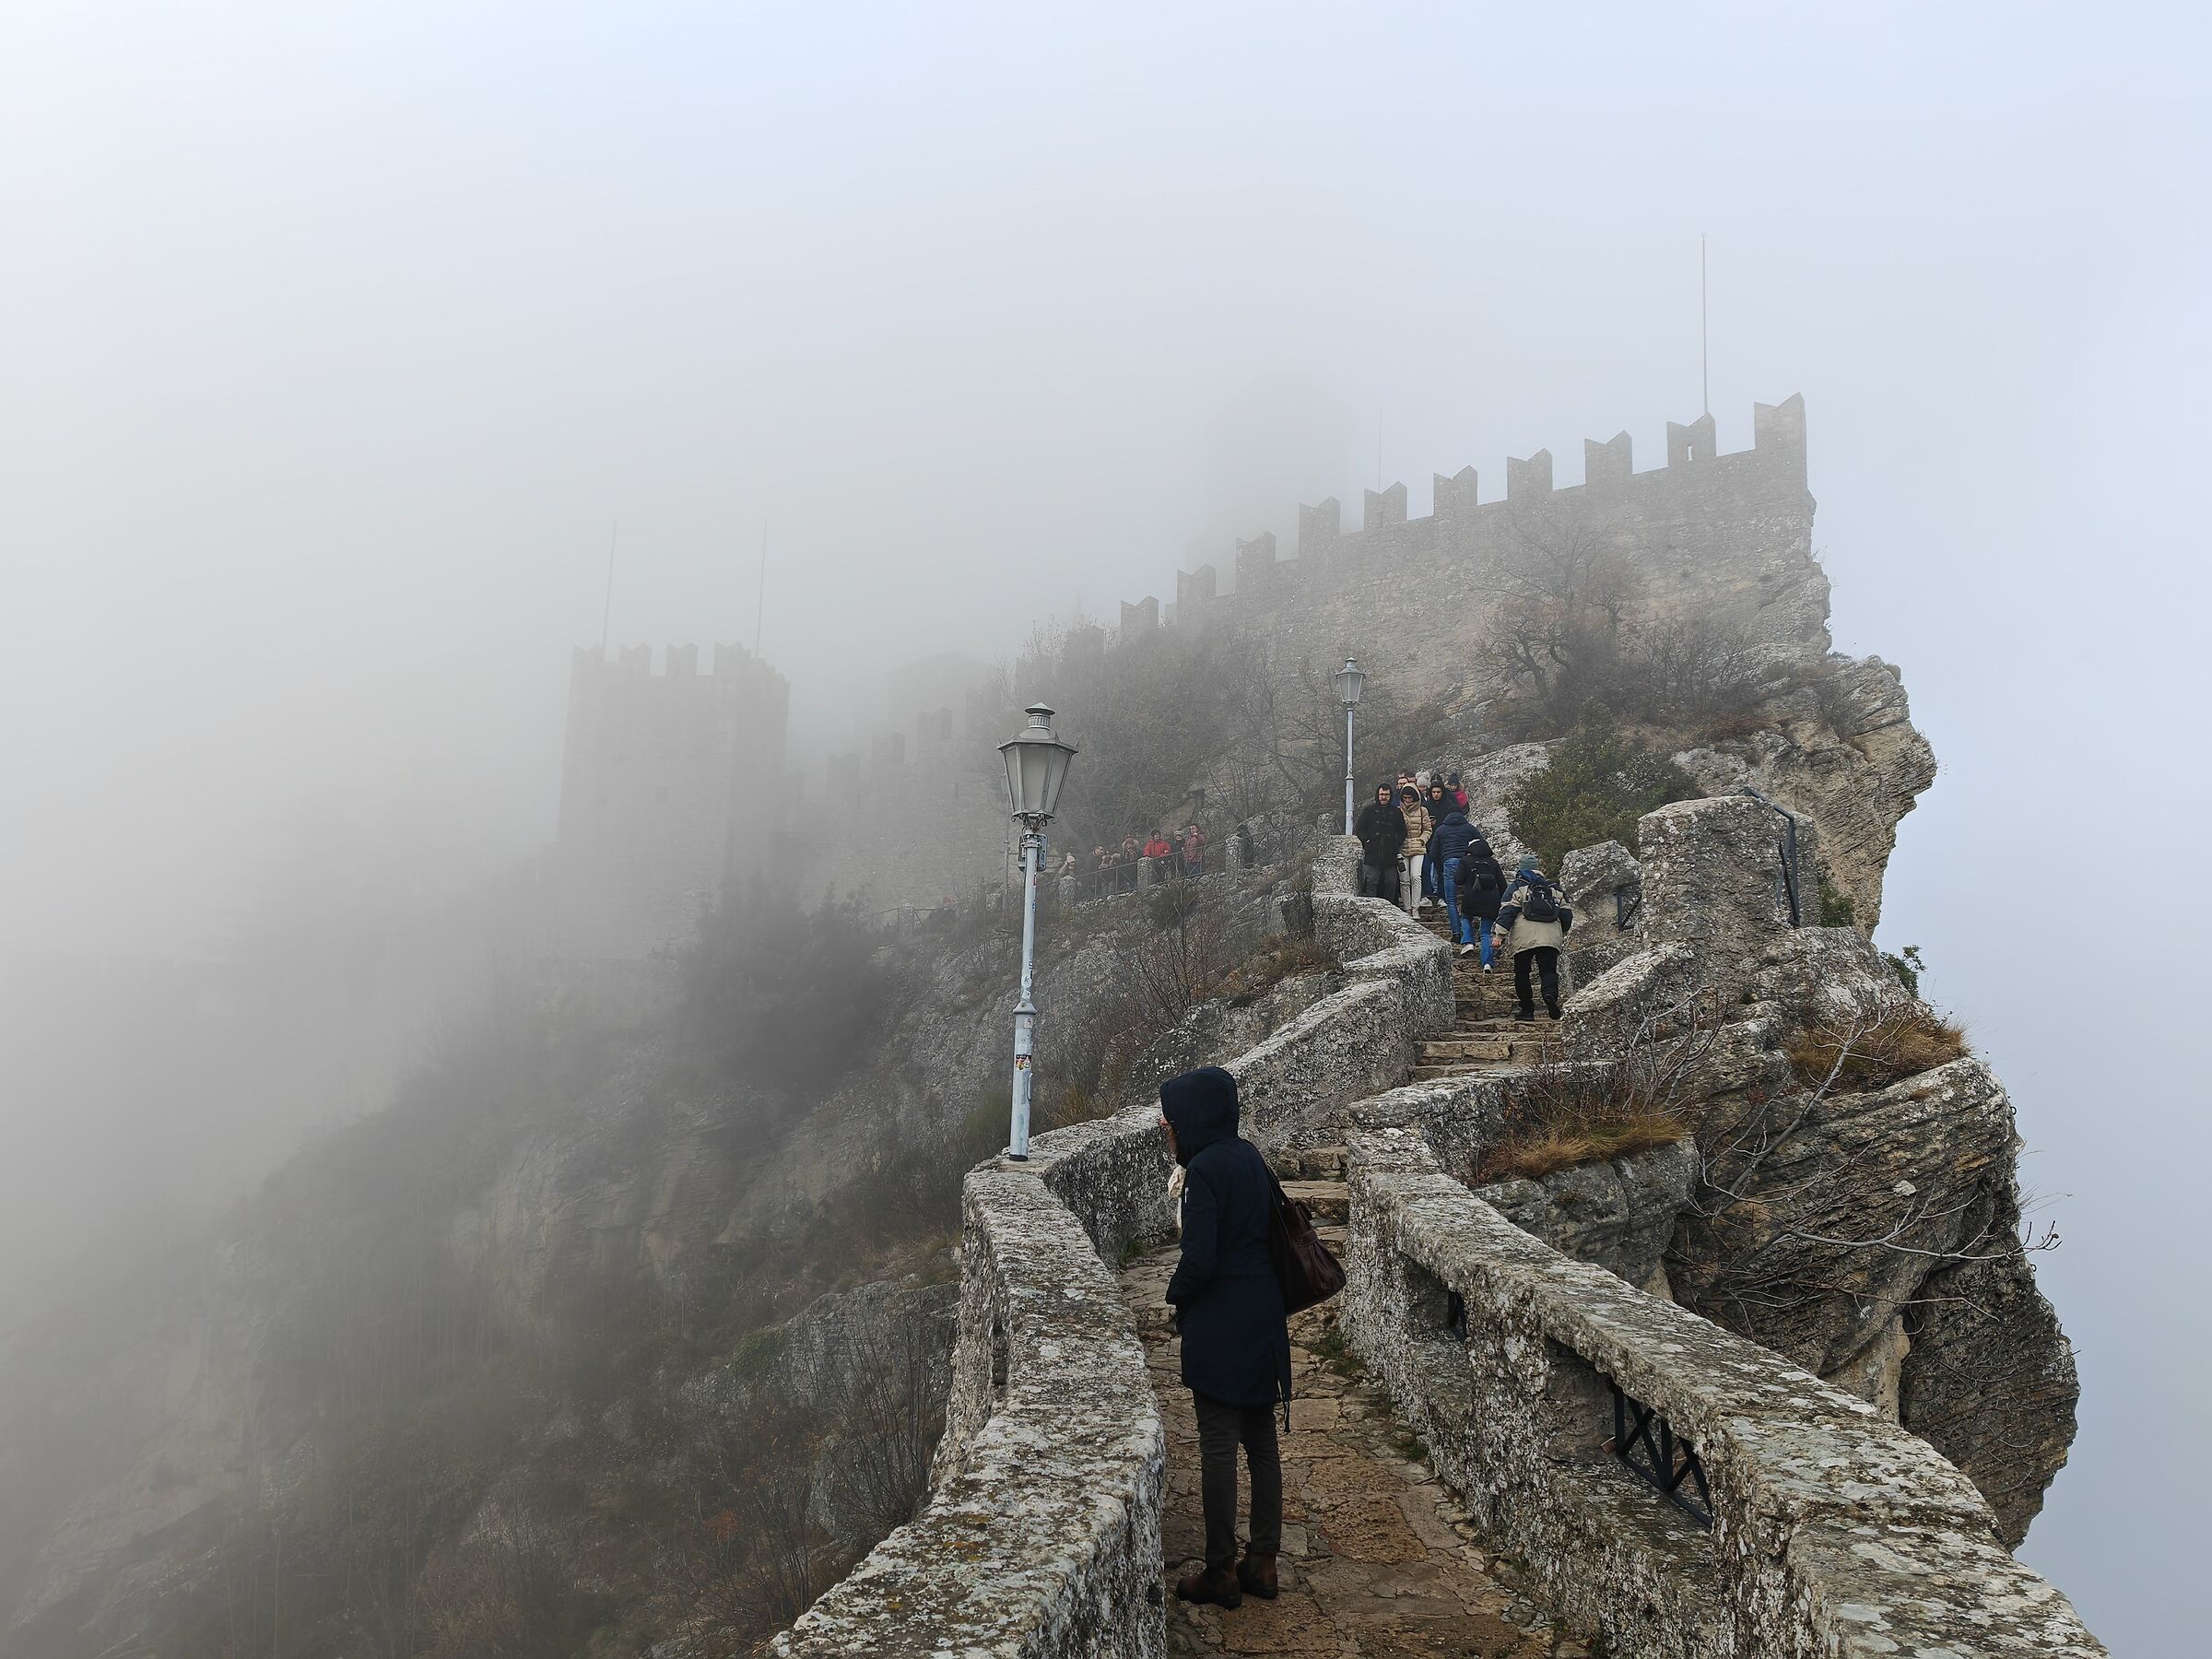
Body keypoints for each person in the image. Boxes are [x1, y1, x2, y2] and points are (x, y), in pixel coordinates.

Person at [1159, 1066, 1288, 1609]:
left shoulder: (1203, 1172)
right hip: (1263, 1314)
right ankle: (1262, 1561)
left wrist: (1175, 1296)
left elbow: (1200, 1259)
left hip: (1221, 1321)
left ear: (1190, 1119)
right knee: (1260, 1441)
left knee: (1217, 1443)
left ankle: (1219, 1571)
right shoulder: (1250, 1157)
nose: (1167, 1131)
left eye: (1169, 1122)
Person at [1495, 856, 1572, 1021]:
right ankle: (1550, 995)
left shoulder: (1517, 886)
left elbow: (1507, 912)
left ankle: (1527, 1009)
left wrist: (1499, 935)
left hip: (1524, 936)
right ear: (1538, 868)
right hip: (1550, 934)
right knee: (1548, 970)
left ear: (1521, 868)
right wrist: (1562, 930)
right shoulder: (1553, 887)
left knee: (1522, 972)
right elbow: (1566, 914)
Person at [1428, 802, 1477, 952]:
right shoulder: (1469, 828)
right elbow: (1481, 844)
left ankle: (1456, 933)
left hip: (1449, 863)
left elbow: (1434, 852)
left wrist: (1440, 867)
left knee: (1451, 900)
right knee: (1468, 898)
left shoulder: (1441, 829)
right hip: (1467, 864)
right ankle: (1469, 933)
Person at [1454, 838, 1506, 969]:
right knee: (1485, 933)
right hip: (1491, 900)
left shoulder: (1465, 861)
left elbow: (1458, 880)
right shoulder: (1493, 863)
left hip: (1471, 898)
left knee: (1465, 917)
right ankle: (1487, 963)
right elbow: (1502, 885)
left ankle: (1468, 941)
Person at [1353, 783, 1406, 900]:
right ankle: (1372, 908)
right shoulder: (1369, 810)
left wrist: (1396, 842)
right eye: (1382, 794)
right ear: (1378, 795)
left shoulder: (1396, 812)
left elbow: (1403, 831)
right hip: (1373, 851)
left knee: (1391, 882)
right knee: (1371, 881)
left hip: (1391, 852)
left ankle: (1391, 908)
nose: (1384, 797)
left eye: (1386, 795)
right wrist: (1366, 841)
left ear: (1390, 796)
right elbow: (1359, 828)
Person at [1396, 785, 1432, 916]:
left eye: (1410, 798)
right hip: (1402, 847)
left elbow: (1428, 829)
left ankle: (1415, 907)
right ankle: (1407, 908)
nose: (1407, 801)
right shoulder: (1398, 811)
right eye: (1405, 798)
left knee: (1416, 876)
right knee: (1404, 879)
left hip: (1418, 847)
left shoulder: (1423, 811)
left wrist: (1422, 840)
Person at [1421, 782, 1452, 907]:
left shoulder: (1448, 806)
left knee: (1441, 871)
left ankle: (1442, 896)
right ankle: (1427, 894)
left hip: (1443, 843)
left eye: (1438, 792)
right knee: (1425, 869)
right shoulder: (1425, 806)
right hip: (1428, 842)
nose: (1436, 794)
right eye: (1434, 792)